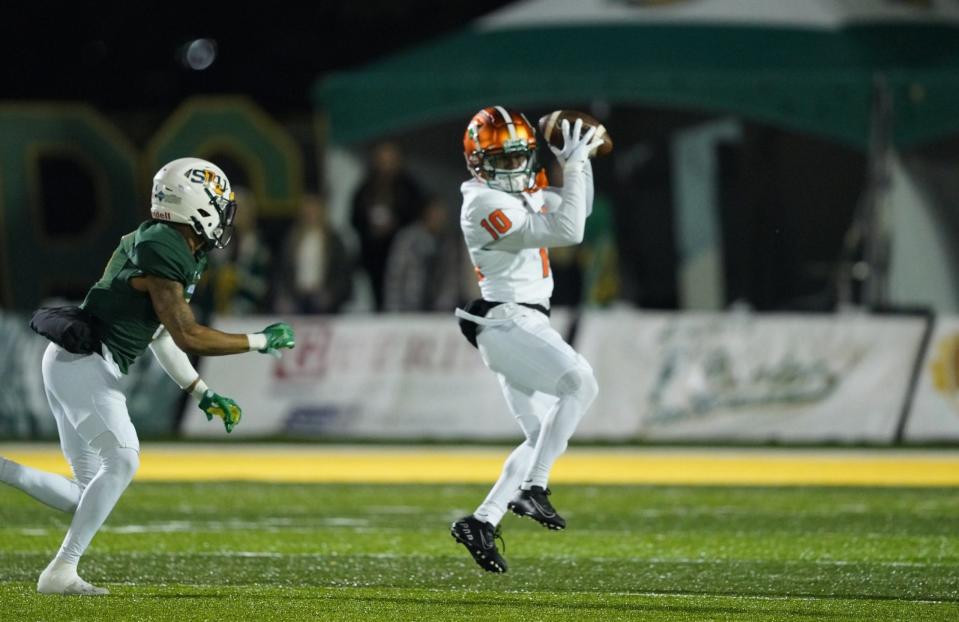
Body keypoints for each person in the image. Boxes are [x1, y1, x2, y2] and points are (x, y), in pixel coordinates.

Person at [0, 158, 295, 595]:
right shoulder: (163, 247)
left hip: (72, 363)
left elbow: (159, 335)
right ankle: (60, 571)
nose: (224, 214)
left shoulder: (168, 244)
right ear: (195, 205)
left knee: (85, 497)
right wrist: (259, 341)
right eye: (218, 203)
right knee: (123, 459)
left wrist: (200, 391)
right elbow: (188, 334)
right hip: (84, 363)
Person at [450, 107, 603, 573]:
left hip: (519, 324)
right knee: (581, 383)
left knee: (540, 435)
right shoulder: (482, 203)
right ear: (478, 161)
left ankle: (482, 520)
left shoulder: (510, 193)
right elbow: (570, 229)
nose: (516, 167)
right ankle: (533, 489)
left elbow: (582, 208)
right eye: (504, 158)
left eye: (521, 156)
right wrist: (574, 163)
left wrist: (583, 158)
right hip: (508, 322)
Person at [350, 142, 425, 310]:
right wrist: (371, 228)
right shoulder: (366, 188)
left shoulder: (409, 187)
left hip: (404, 253)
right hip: (373, 253)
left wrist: (394, 225)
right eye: (382, 160)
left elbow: (416, 216)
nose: (386, 165)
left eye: (390, 159)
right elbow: (354, 218)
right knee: (376, 296)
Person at [276, 194, 352, 314]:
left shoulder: (333, 240)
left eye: (314, 210)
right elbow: (283, 270)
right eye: (307, 210)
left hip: (322, 298)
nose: (310, 214)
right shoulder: (292, 239)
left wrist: (331, 294)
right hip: (297, 297)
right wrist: (284, 296)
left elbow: (342, 273)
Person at [383, 196, 462, 312]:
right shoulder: (408, 239)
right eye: (436, 213)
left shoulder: (448, 242)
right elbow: (395, 275)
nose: (440, 217)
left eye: (442, 213)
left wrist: (445, 307)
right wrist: (393, 308)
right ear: (426, 213)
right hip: (407, 305)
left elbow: (451, 277)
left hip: (438, 308)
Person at [205, 186, 272, 315]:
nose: (238, 215)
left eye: (242, 210)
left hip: (251, 313)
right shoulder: (218, 242)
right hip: (217, 313)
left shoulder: (260, 246)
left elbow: (263, 287)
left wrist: (239, 279)